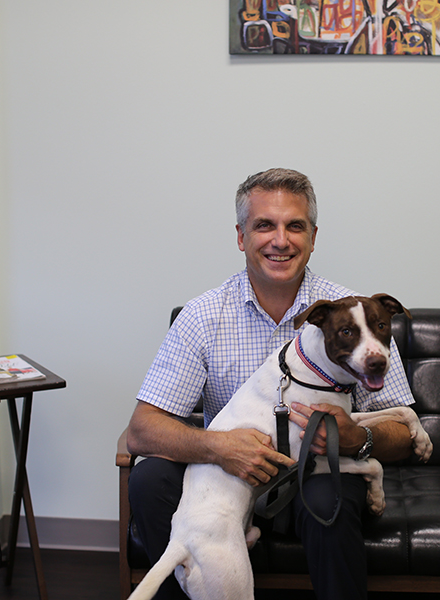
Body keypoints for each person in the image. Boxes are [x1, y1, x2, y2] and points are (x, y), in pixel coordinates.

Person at [126, 167, 416, 600]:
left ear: (313, 237)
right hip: (228, 476)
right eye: (265, 225)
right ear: (241, 236)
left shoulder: (354, 314)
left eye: (294, 226)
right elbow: (141, 430)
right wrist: (218, 447)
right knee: (149, 482)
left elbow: (402, 433)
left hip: (317, 472)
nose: (280, 240)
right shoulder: (202, 317)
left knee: (327, 502)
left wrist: (358, 437)